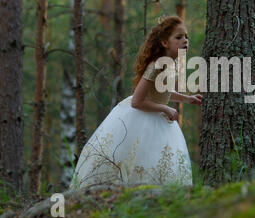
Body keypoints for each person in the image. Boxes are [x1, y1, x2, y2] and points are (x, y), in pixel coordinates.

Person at [70, 16, 202, 189]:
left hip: (158, 118)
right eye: (178, 37)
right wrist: (165, 109)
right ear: (164, 42)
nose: (185, 40)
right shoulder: (156, 65)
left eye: (186, 37)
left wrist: (187, 98)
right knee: (139, 157)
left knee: (158, 159)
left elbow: (163, 92)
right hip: (141, 118)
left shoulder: (171, 64)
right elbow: (137, 101)